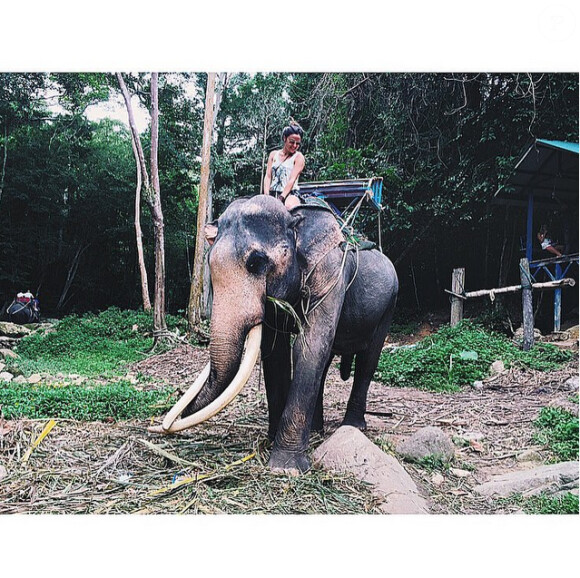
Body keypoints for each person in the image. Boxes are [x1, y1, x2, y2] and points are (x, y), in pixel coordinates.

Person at [263, 120, 306, 209]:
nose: (294, 146)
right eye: (291, 142)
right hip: (272, 193)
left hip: (289, 194)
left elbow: (292, 179)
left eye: (297, 143)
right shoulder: (273, 154)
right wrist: (266, 195)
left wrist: (282, 197)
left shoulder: (298, 157)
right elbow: (268, 176)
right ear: (284, 138)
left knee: (289, 207)